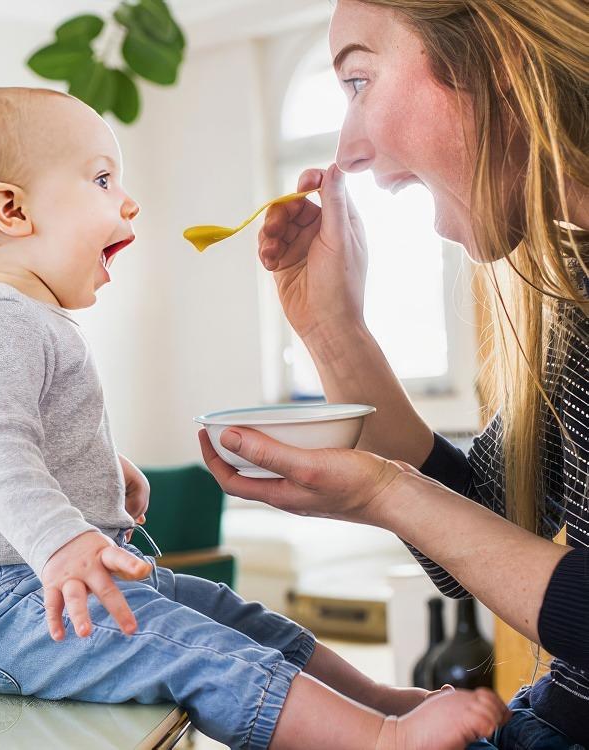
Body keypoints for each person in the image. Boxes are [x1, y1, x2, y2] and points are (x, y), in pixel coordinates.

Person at [0, 86, 507, 750]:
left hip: (41, 585)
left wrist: (96, 469)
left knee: (231, 615)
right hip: (1, 607)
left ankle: (376, 700)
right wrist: (63, 542)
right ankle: (377, 740)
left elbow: (13, 439)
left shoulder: (29, 322)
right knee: (191, 649)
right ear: (12, 210)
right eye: (102, 179)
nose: (128, 201)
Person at [198, 1, 588, 747]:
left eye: (358, 82)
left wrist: (386, 492)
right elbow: (491, 527)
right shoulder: (580, 295)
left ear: (495, 59)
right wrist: (333, 329)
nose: (347, 149)